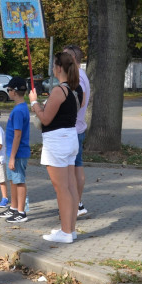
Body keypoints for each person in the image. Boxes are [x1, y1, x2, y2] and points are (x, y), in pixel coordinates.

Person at [29, 51, 83, 244]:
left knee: (61, 188)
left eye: (53, 65)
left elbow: (45, 118)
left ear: (59, 67)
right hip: (70, 138)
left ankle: (65, 231)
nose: (52, 68)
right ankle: (71, 229)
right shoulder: (77, 89)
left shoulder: (59, 91)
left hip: (57, 141)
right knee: (69, 186)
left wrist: (34, 103)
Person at [0, 77, 32, 223]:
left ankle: (21, 212)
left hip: (17, 153)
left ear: (15, 92)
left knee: (19, 181)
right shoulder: (20, 108)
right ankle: (14, 207)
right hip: (13, 152)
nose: (8, 92)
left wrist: (12, 157)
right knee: (12, 180)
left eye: (9, 90)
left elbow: (18, 135)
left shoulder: (19, 110)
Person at [65, 44, 91, 217]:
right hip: (77, 128)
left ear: (73, 59)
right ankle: (78, 204)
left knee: (70, 172)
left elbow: (76, 102)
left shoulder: (77, 78)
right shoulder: (82, 76)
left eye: (64, 56)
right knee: (77, 167)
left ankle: (74, 205)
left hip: (72, 129)